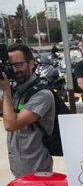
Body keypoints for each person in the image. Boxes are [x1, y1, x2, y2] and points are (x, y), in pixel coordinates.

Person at [0, 44, 55, 178]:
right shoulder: (16, 90)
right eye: (10, 66)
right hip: (20, 170)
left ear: (31, 63)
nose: (14, 70)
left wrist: (6, 91)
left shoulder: (42, 94)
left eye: (18, 65)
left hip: (37, 172)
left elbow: (11, 124)